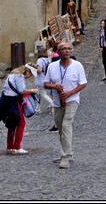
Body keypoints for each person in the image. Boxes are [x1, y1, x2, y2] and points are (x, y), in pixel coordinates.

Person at [43, 41, 87, 169]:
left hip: (72, 100)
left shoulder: (77, 66)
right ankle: (68, 152)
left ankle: (65, 156)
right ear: (59, 51)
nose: (67, 51)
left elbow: (83, 83)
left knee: (67, 124)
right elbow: (45, 83)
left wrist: (70, 93)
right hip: (57, 101)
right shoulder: (52, 66)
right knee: (61, 128)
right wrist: (54, 86)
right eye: (64, 49)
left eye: (69, 49)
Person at [0, 64, 36, 154]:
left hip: (5, 100)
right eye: (31, 74)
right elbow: (22, 91)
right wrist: (33, 90)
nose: (30, 77)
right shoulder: (20, 76)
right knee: (21, 123)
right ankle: (17, 146)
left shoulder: (12, 74)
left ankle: (10, 146)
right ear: (27, 71)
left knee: (11, 123)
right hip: (12, 101)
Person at [34, 47, 55, 115]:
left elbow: (39, 70)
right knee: (39, 95)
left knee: (43, 95)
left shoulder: (40, 60)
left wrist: (33, 70)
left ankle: (53, 105)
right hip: (46, 79)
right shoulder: (48, 60)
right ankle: (37, 108)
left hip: (40, 80)